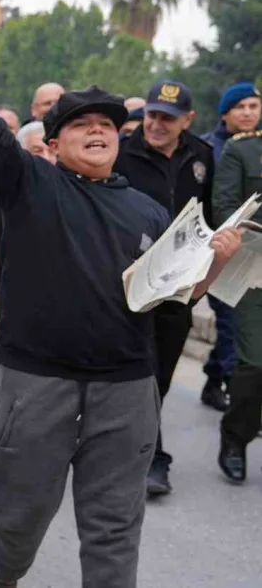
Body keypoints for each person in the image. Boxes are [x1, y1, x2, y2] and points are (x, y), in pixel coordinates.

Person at [0, 12, 241, 588]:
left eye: (108, 124)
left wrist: (218, 261)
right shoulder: (28, 183)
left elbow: (175, 297)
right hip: (37, 384)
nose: (99, 130)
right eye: (82, 126)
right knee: (19, 519)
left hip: (126, 389)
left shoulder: (151, 212)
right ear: (53, 145)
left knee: (114, 527)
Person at [113, 80, 214, 497]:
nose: (156, 124)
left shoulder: (202, 157)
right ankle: (150, 455)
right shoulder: (124, 154)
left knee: (162, 375)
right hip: (132, 282)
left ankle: (133, 446)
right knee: (140, 372)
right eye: (152, 115)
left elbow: (210, 215)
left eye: (168, 118)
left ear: (187, 120)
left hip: (181, 285)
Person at [202, 82, 262, 411]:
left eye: (254, 106)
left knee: (234, 328)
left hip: (256, 250)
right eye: (240, 107)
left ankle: (215, 378)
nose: (248, 113)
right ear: (226, 113)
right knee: (229, 323)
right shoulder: (209, 147)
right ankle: (235, 394)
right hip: (221, 250)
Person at [213, 117, 262, 484]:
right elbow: (227, 211)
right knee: (254, 363)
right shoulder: (242, 150)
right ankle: (235, 437)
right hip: (254, 274)